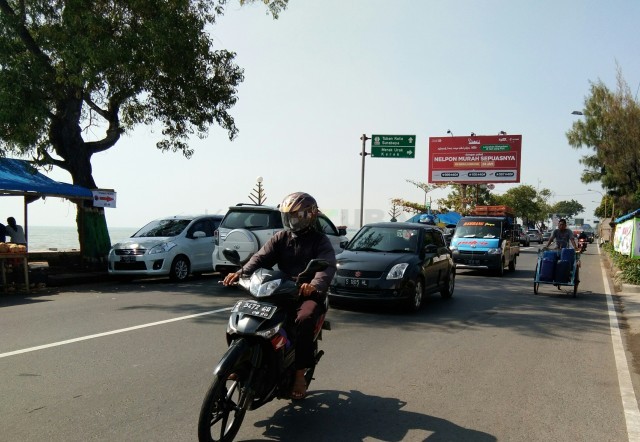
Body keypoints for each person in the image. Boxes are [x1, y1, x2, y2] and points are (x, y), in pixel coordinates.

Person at [222, 192, 337, 400]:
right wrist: (241, 273)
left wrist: (314, 285)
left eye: (295, 216)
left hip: (307, 294)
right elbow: (260, 258)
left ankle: (299, 374)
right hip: (281, 288)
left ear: (309, 216)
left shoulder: (320, 241)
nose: (291, 221)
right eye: (288, 216)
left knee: (304, 319)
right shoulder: (281, 238)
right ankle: (240, 362)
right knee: (247, 314)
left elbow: (326, 267)